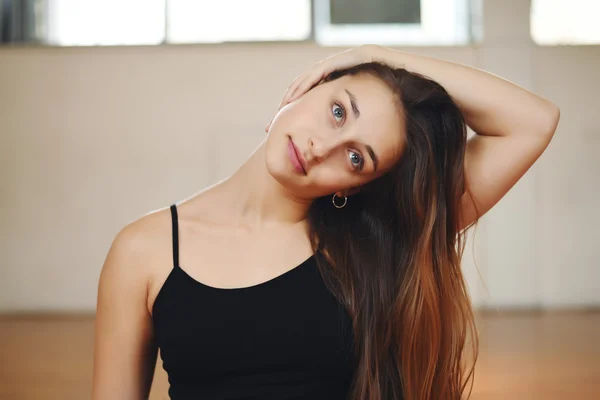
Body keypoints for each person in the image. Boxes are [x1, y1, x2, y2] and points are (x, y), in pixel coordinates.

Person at [91, 45, 560, 400]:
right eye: (339, 111)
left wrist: (379, 56)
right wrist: (363, 63)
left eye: (356, 157)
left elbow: (534, 122)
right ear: (312, 83)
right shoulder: (143, 252)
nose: (322, 147)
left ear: (353, 187)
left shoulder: (374, 243)